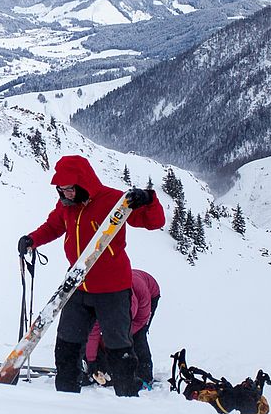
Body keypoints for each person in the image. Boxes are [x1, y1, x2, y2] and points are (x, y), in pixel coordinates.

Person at [18, 155, 165, 396]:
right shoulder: (66, 206)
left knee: (119, 346)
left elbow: (154, 222)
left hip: (113, 289)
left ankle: (128, 397)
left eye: (69, 188)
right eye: (60, 189)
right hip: (77, 285)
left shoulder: (114, 201)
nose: (64, 193)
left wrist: (149, 200)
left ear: (83, 183)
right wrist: (32, 240)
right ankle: (66, 395)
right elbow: (53, 226)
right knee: (67, 343)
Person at [84, 269, 161, 389]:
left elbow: (140, 322)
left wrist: (117, 336)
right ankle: (103, 365)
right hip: (118, 296)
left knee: (138, 336)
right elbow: (93, 333)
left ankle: (145, 376)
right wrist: (91, 360)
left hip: (150, 294)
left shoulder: (141, 295)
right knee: (106, 337)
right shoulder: (103, 303)